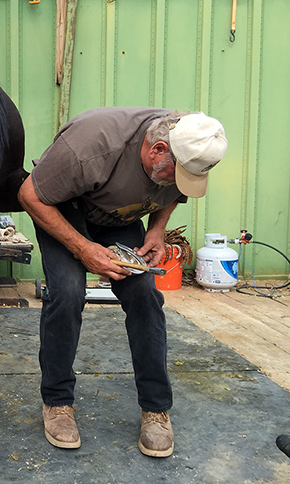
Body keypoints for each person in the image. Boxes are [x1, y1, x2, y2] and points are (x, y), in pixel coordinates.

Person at [18, 107, 227, 458]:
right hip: (64, 208)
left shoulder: (190, 138)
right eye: (176, 175)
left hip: (119, 217)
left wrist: (158, 230)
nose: (179, 184)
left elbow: (174, 191)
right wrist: (84, 249)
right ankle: (57, 402)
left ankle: (156, 408)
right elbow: (29, 196)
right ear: (158, 150)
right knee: (68, 293)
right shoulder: (91, 147)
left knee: (145, 294)